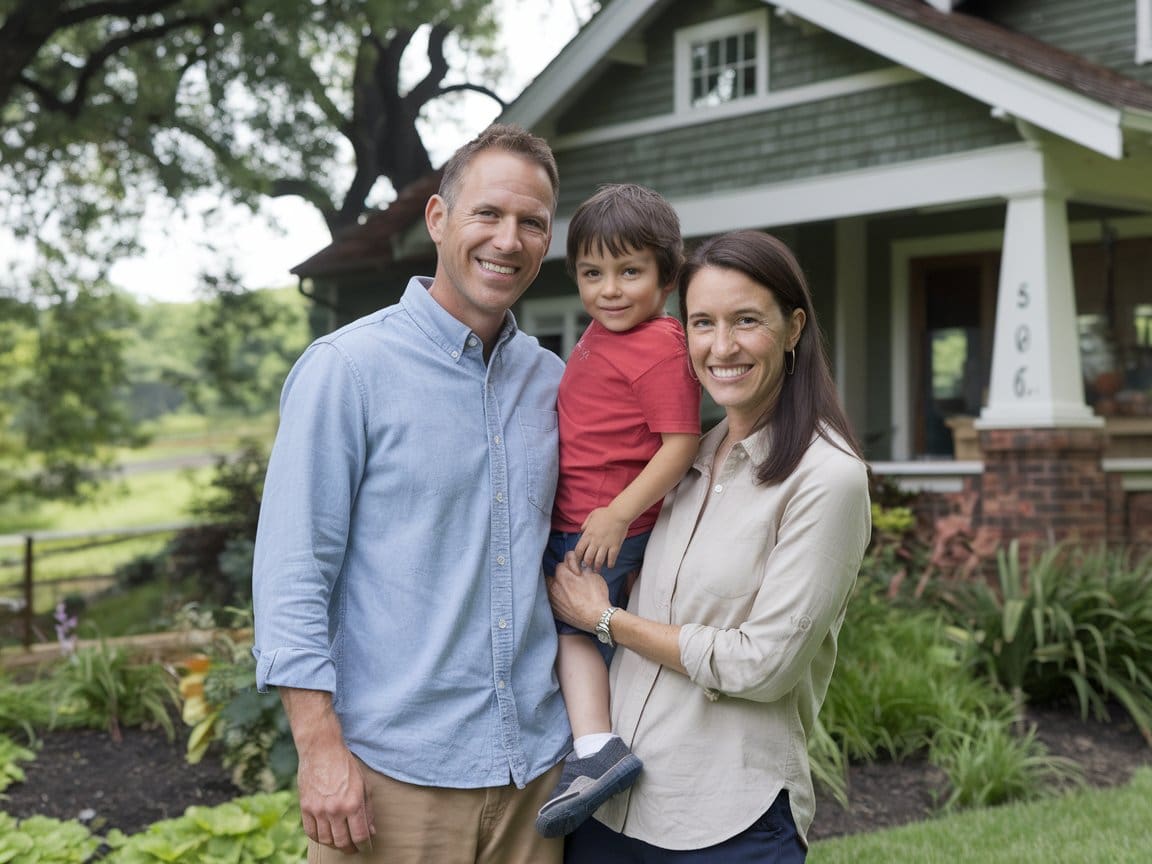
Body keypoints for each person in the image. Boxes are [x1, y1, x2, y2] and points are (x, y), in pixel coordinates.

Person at [251, 124, 571, 864]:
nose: (508, 240)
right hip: (390, 779)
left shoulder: (554, 383)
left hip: (535, 780)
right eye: (487, 214)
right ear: (438, 220)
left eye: (532, 223)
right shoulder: (348, 370)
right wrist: (320, 750)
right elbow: (293, 575)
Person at [548, 229, 872, 861]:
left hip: (726, 820)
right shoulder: (683, 461)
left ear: (793, 327)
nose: (721, 347)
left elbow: (763, 664)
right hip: (610, 813)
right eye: (702, 323)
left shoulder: (826, 478)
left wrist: (604, 620)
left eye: (746, 321)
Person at [534, 185, 701, 839]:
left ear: (666, 278)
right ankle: (591, 743)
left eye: (630, 272)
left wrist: (615, 513)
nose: (609, 289)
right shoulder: (607, 336)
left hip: (601, 526)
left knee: (576, 629)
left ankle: (596, 748)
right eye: (592, 273)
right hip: (580, 516)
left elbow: (680, 446)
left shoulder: (660, 346)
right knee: (572, 632)